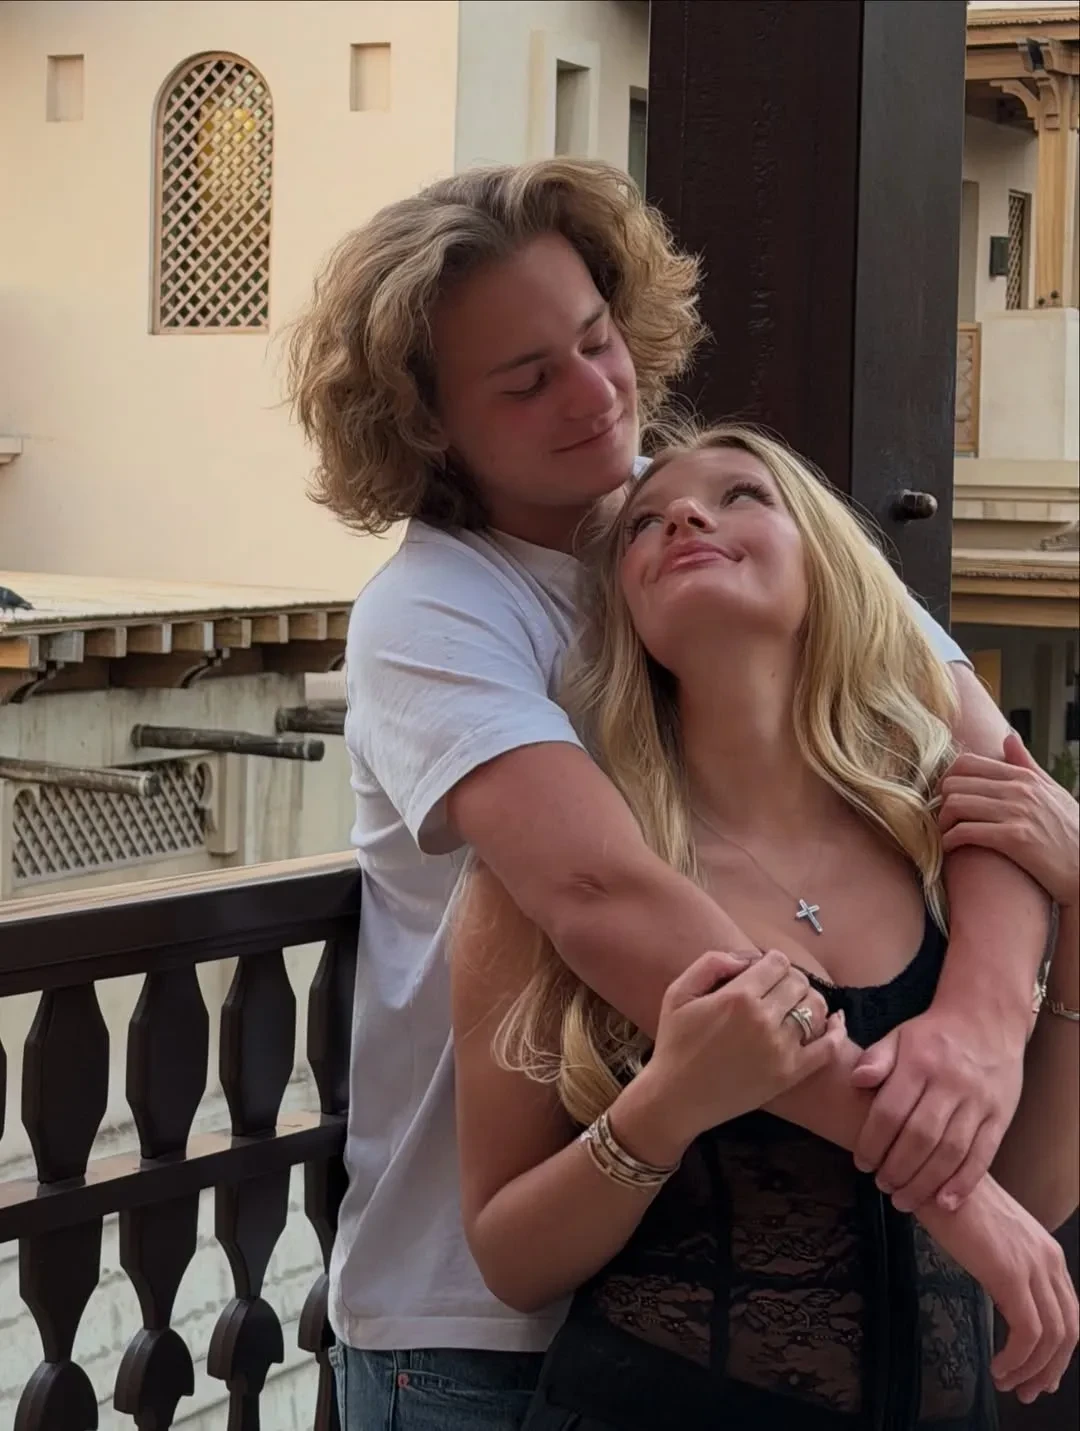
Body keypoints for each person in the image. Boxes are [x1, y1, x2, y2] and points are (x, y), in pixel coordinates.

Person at [285, 159, 1052, 1430]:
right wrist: (950, 1187)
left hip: (782, 1305)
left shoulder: (714, 514)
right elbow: (602, 891)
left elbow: (998, 788)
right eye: (527, 380)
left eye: (596, 341)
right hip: (481, 1323)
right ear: (427, 425)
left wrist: (980, 1024)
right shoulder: (436, 610)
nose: (594, 394)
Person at [451, 426, 1079, 1430]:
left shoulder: (945, 844)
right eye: (643, 526)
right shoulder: (555, 870)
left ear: (829, 564)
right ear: (625, 612)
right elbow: (509, 1259)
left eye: (741, 494)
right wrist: (664, 1107)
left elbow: (1033, 1198)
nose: (684, 516)